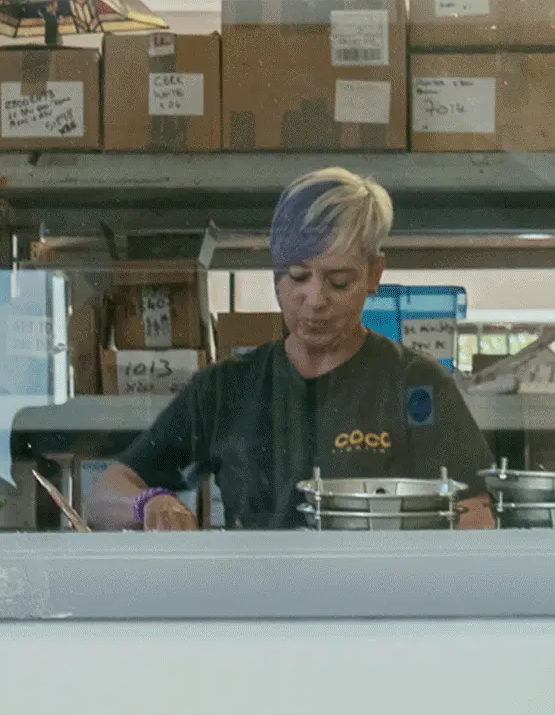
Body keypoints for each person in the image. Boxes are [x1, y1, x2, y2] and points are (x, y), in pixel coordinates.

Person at [85, 167, 496, 530]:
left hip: (378, 606)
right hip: (259, 606)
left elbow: (477, 507)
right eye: (298, 277)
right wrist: (146, 503)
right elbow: (104, 495)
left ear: (375, 274)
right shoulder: (228, 389)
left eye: (339, 281)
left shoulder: (416, 385)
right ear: (276, 276)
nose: (315, 300)